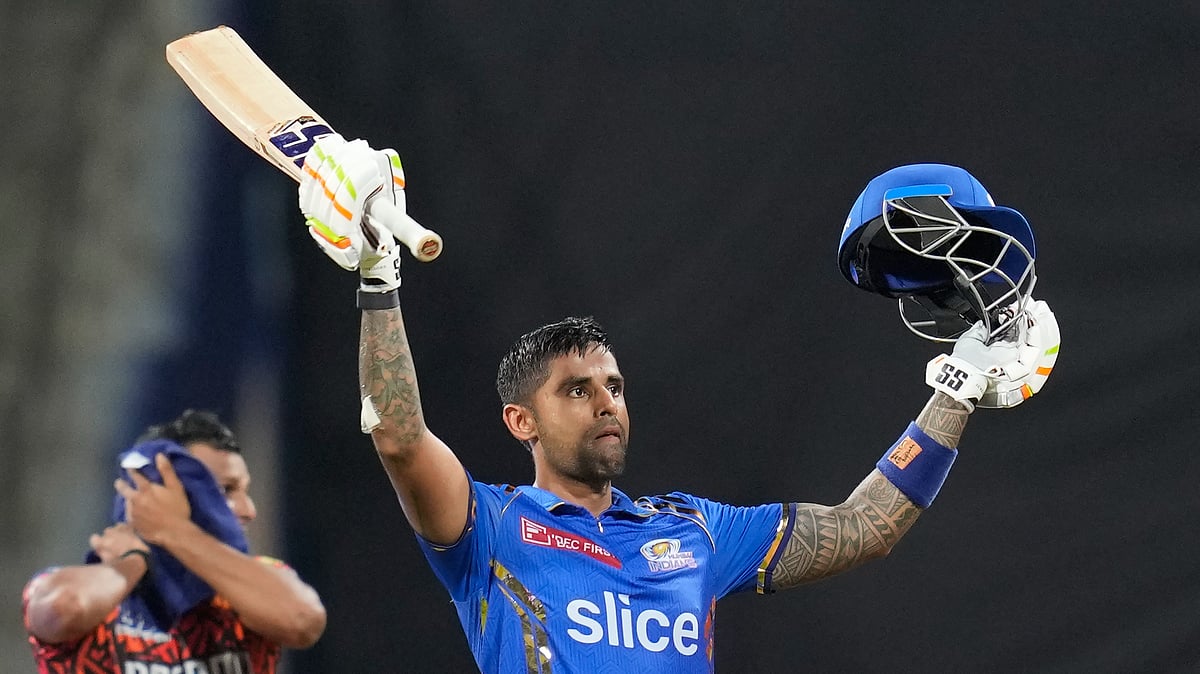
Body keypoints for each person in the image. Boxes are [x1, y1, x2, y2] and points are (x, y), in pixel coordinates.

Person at [297, 136, 1059, 672]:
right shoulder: (488, 529)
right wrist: (378, 274)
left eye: (614, 387)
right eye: (576, 390)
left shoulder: (694, 530)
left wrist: (958, 387)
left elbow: (865, 528)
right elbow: (399, 436)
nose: (606, 403)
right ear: (520, 421)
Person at [22, 409, 327, 673]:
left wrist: (173, 530)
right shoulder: (85, 589)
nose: (249, 510)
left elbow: (303, 620)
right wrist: (135, 560)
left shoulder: (255, 585)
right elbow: (64, 608)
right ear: (154, 492)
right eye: (224, 491)